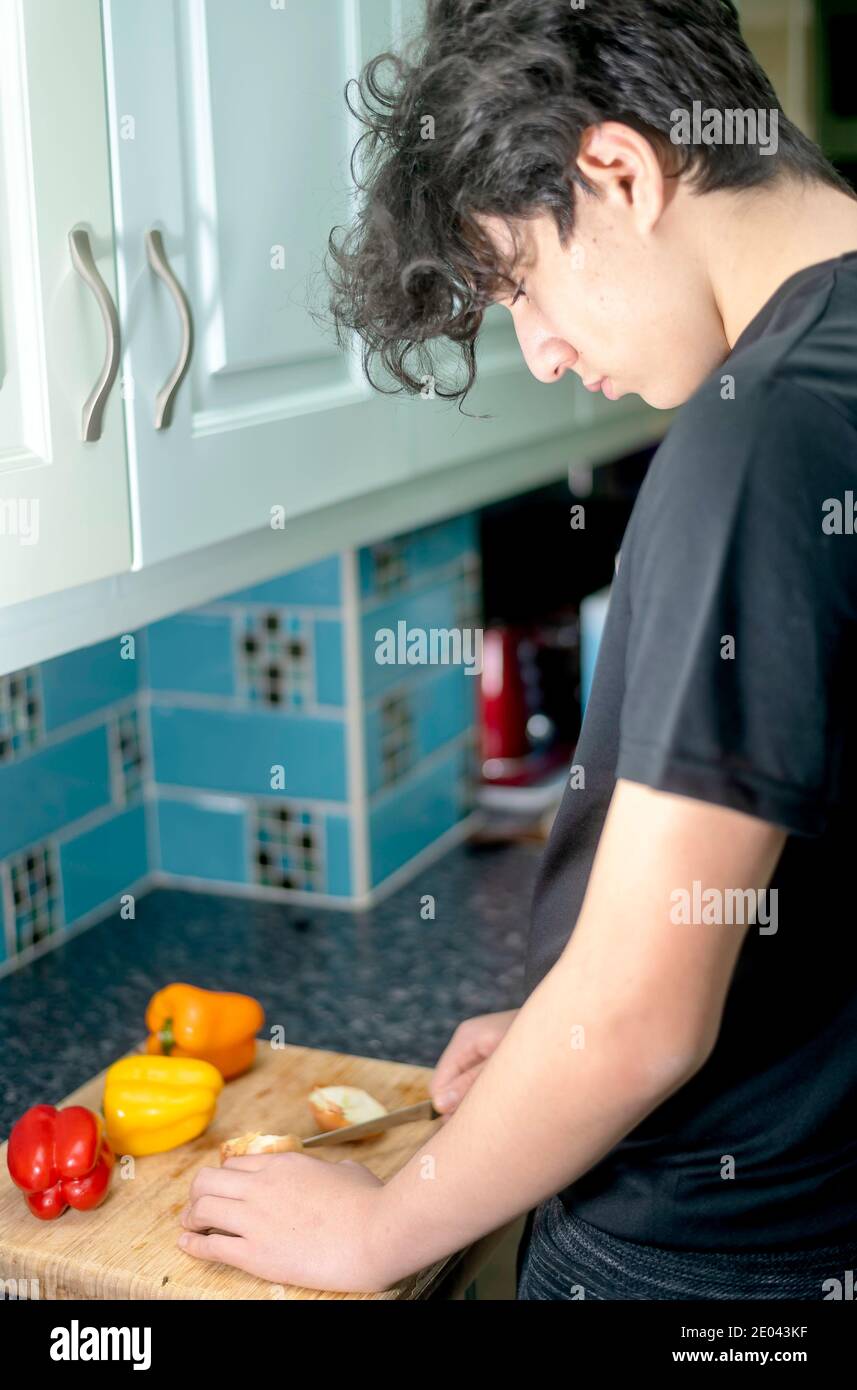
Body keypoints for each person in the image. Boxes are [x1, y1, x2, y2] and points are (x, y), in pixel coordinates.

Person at [178, 0, 857, 1299]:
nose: (541, 350)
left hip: (705, 1260)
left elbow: (640, 1019)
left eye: (524, 283)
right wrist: (557, 1040)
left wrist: (376, 1229)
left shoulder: (750, 440)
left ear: (617, 172)